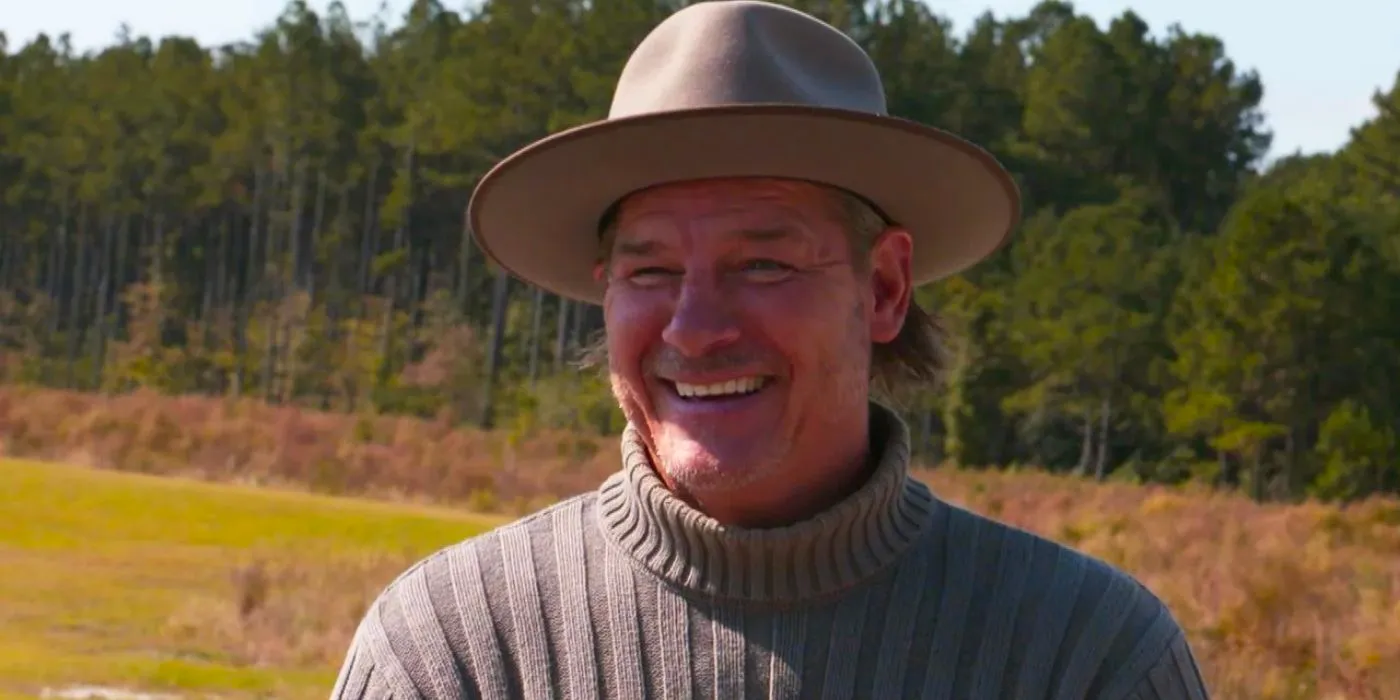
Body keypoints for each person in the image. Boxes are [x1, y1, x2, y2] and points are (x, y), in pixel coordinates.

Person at [330, 2, 1211, 698]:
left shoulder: (1083, 655)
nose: (694, 327)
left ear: (883, 289)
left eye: (763, 263)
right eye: (651, 271)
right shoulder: (455, 650)